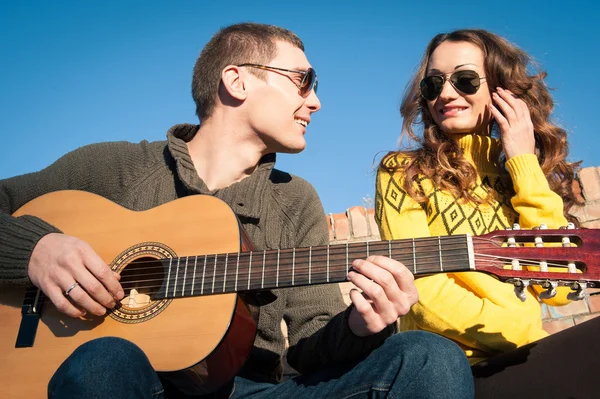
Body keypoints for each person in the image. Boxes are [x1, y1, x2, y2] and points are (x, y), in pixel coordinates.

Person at [0, 23, 473, 398]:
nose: (317, 101)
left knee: (430, 357)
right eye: (303, 81)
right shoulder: (117, 167)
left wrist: (360, 325)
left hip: (248, 390)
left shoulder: (295, 199)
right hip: (119, 381)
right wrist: (36, 250)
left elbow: (310, 348)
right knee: (105, 361)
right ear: (237, 79)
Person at [375, 28, 600, 398]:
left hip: (523, 358)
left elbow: (558, 286)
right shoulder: (403, 172)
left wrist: (524, 163)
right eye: (433, 84)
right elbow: (422, 288)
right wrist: (522, 336)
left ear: (500, 87)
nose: (446, 94)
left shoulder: (519, 173)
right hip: (449, 371)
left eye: (464, 80)